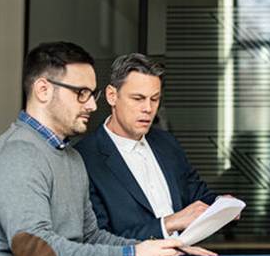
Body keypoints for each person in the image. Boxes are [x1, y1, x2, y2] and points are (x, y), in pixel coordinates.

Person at [0, 42, 212, 256]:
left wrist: (161, 249)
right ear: (43, 90)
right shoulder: (17, 154)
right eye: (81, 93)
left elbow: (91, 236)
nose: (92, 106)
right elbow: (35, 252)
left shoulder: (70, 157)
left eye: (91, 94)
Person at [75, 53, 229, 240]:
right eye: (138, 98)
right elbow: (98, 239)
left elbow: (198, 196)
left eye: (154, 99)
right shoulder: (83, 159)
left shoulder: (167, 144)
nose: (148, 108)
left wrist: (223, 206)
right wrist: (169, 223)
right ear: (112, 96)